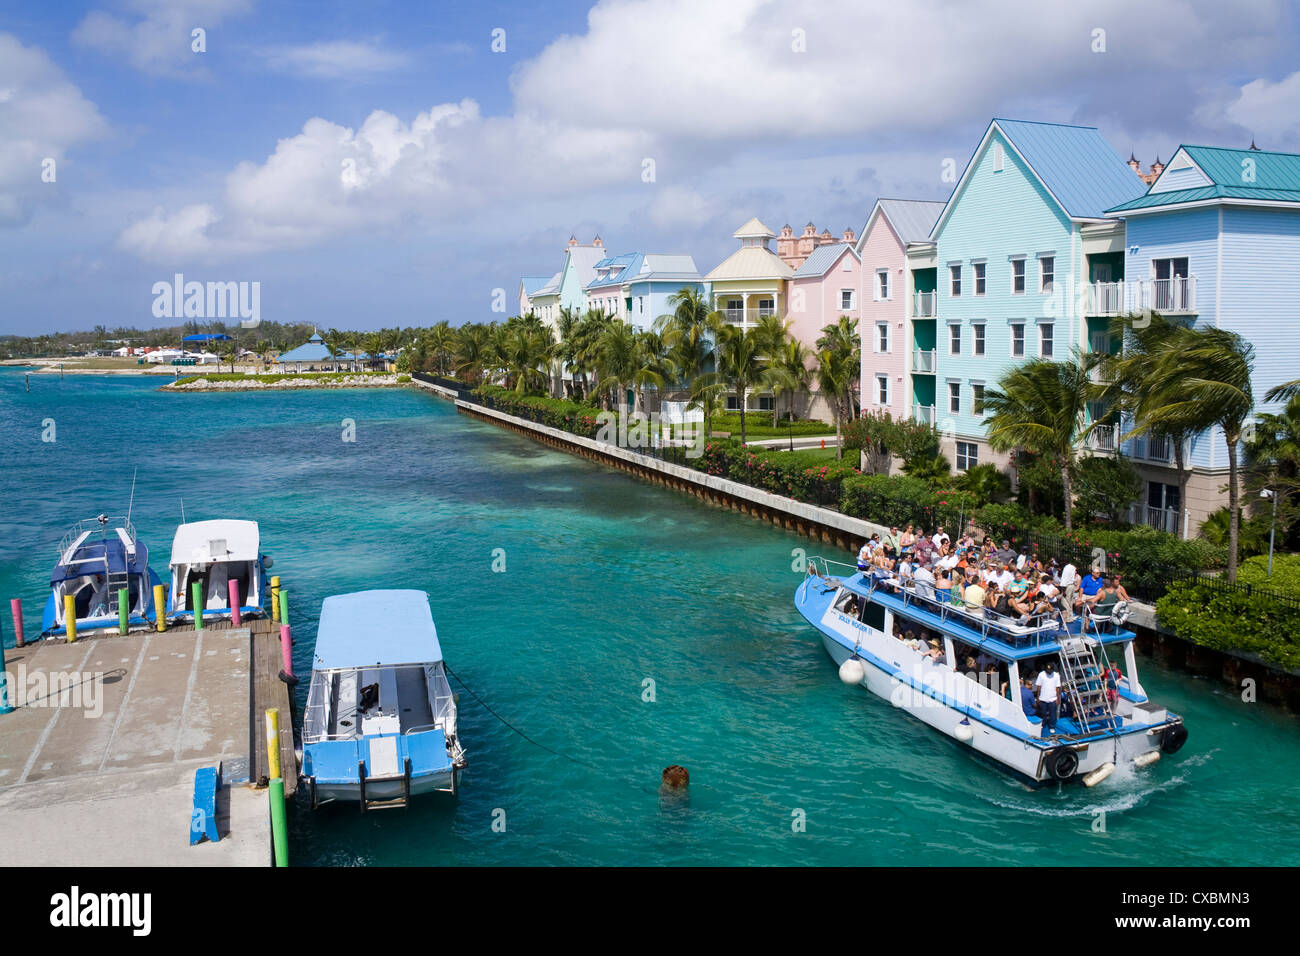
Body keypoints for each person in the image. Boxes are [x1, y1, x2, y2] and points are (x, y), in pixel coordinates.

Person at [1035, 661, 1063, 736]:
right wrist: (1038, 697)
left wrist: (1058, 698)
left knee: (1052, 714)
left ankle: (1052, 726)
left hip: (1053, 699)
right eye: (1048, 671)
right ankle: (1042, 724)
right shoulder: (1041, 674)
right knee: (1042, 713)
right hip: (1043, 698)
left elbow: (1058, 688)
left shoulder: (1056, 675)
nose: (1049, 672)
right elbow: (1038, 687)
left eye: (1050, 671)